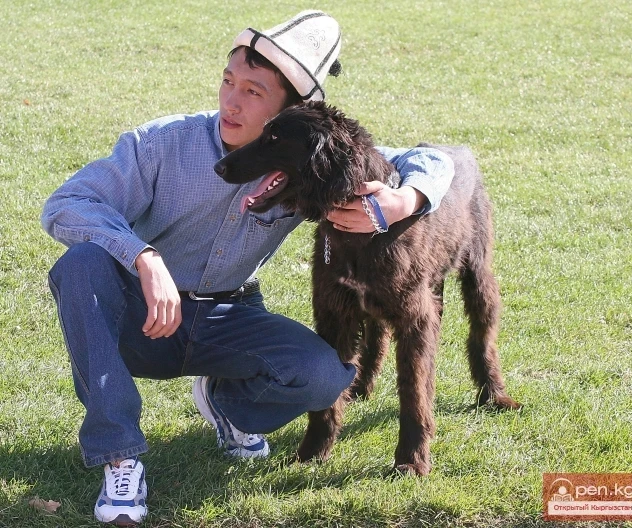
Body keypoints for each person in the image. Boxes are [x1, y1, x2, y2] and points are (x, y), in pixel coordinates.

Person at [41, 10, 454, 526]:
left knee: (324, 376)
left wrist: (405, 199)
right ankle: (120, 457)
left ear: (290, 112)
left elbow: (433, 161)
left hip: (228, 317)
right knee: (81, 264)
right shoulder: (162, 143)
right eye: (228, 81)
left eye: (254, 92)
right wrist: (143, 256)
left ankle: (227, 403)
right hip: (143, 317)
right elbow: (66, 203)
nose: (231, 102)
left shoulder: (308, 158)